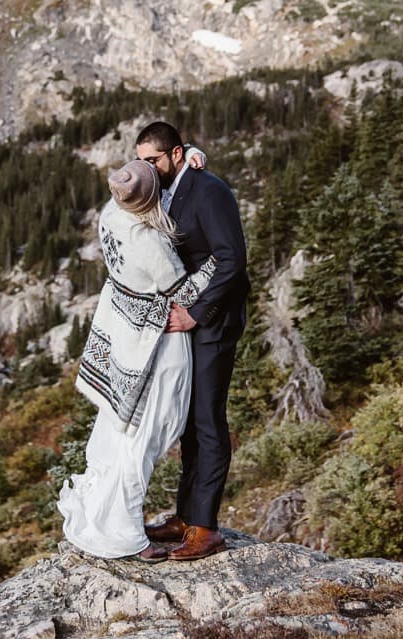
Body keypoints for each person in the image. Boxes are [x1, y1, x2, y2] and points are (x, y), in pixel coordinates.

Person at [58, 156, 216, 560]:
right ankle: (126, 534)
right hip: (155, 341)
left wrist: (189, 153)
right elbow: (183, 292)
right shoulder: (149, 242)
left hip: (122, 328)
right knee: (144, 435)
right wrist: (216, 261)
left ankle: (105, 515)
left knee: (117, 430)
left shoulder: (112, 212)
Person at [135, 120, 249, 562]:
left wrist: (197, 315)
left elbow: (232, 261)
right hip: (187, 322)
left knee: (208, 420)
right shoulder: (168, 185)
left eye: (153, 160)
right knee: (188, 421)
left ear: (176, 154)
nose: (147, 168)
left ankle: (206, 528)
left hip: (213, 324)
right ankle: (185, 516)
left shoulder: (210, 191)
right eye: (142, 161)